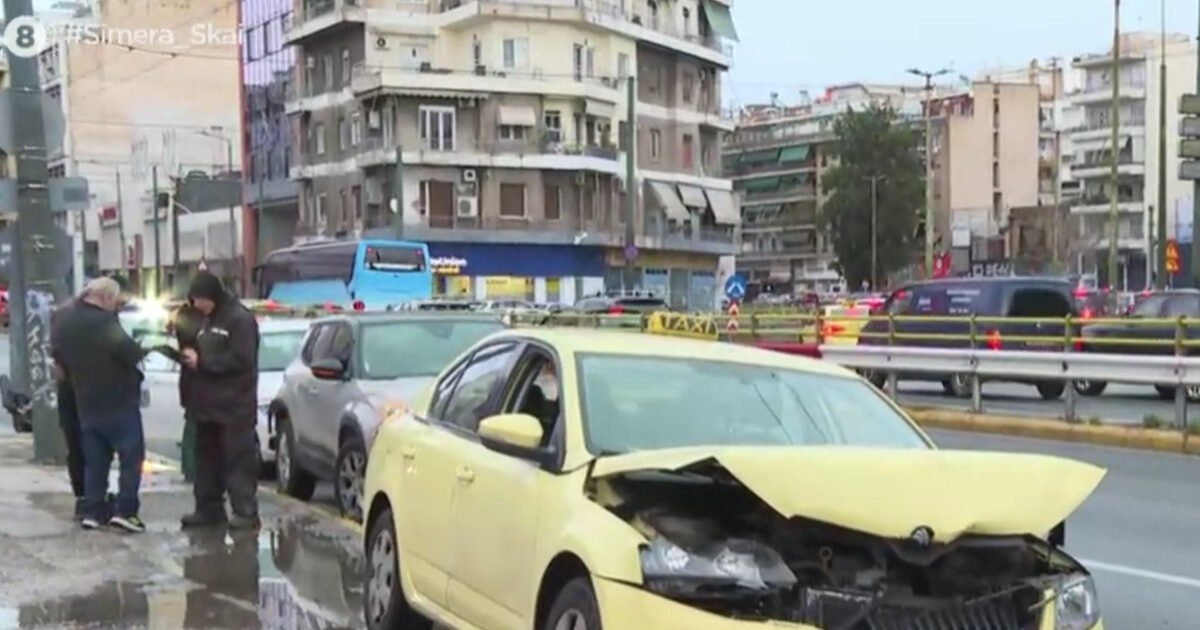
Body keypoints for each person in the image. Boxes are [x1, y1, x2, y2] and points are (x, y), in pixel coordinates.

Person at [51, 277, 152, 532]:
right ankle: (126, 510)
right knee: (131, 456)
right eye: (115, 301)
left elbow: (59, 362)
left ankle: (93, 510)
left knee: (95, 460)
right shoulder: (104, 321)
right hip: (117, 400)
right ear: (106, 298)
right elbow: (128, 352)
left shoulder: (64, 321)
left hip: (85, 401)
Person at [176, 271, 261, 531]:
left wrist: (203, 362)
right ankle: (208, 509)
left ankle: (245, 512)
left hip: (234, 406)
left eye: (200, 300)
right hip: (206, 406)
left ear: (212, 296)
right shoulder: (205, 320)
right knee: (206, 460)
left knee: (238, 460)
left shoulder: (239, 320)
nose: (197, 305)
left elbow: (242, 359)